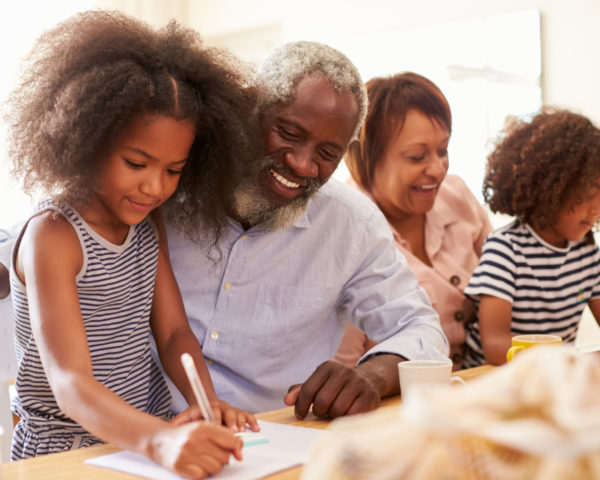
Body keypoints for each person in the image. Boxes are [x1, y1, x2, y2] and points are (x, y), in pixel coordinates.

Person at [4, 11, 260, 477]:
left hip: (147, 433)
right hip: (66, 449)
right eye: (136, 163)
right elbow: (69, 382)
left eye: (173, 170)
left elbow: (173, 334)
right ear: (88, 140)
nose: (154, 188)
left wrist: (207, 402)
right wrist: (159, 441)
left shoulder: (147, 223)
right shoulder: (54, 235)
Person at [160, 41, 450, 420]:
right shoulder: (165, 186)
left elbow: (422, 329)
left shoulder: (351, 224)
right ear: (249, 108)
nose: (302, 164)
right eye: (289, 133)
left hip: (267, 439)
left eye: (328, 153)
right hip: (135, 437)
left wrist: (373, 374)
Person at [334, 72, 492, 370]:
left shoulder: (457, 196)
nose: (437, 169)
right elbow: (343, 372)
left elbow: (507, 283)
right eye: (417, 157)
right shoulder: (344, 231)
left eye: (443, 150)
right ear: (366, 158)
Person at [463, 108, 600, 367]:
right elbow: (495, 345)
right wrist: (571, 359)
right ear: (550, 186)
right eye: (587, 192)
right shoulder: (506, 249)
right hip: (492, 380)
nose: (596, 208)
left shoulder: (587, 254)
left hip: (548, 378)